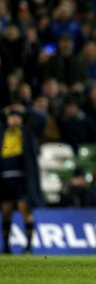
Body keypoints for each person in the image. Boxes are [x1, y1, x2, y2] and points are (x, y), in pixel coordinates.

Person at [1, 105, 46, 254]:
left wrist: (27, 109)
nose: (14, 119)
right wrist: (4, 111)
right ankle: (6, 247)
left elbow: (42, 119)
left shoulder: (27, 132)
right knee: (6, 212)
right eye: (11, 116)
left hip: (22, 179)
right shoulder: (2, 132)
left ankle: (28, 246)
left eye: (17, 116)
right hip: (5, 178)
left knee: (24, 210)